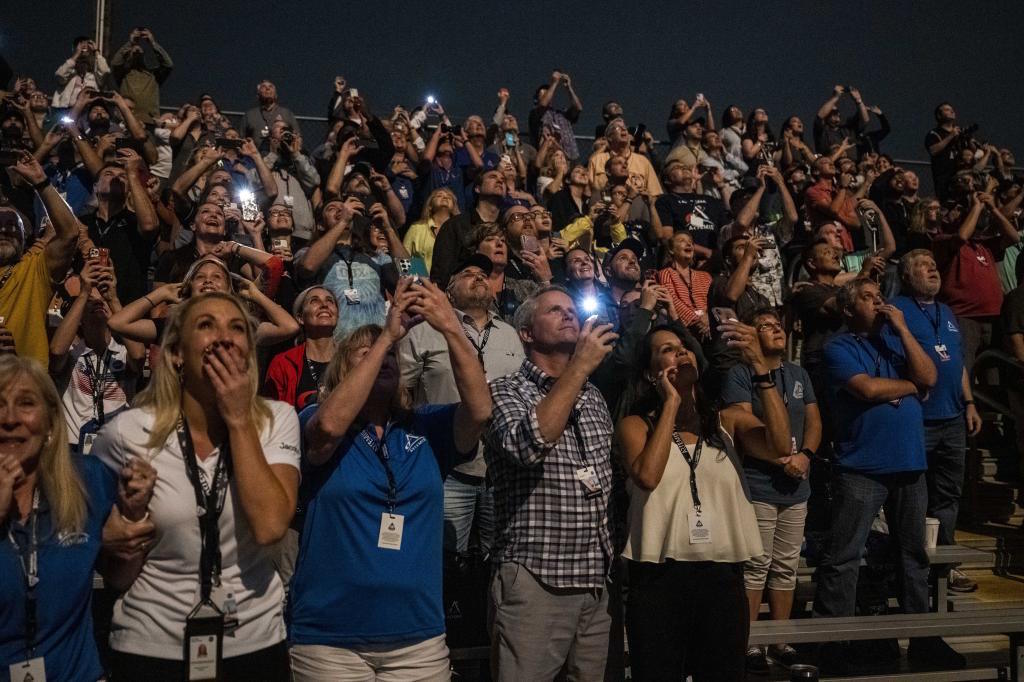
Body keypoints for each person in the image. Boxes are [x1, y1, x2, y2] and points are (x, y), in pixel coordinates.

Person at [290, 278, 492, 680]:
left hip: (417, 638)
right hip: (329, 639)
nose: (382, 359)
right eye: (364, 354)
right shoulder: (313, 418)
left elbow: (481, 410)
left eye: (390, 357)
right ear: (345, 368)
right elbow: (329, 427)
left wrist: (450, 325)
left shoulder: (425, 427)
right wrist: (385, 337)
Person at [94, 292, 301, 679]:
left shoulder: (277, 419)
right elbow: (118, 576)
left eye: (237, 328)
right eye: (206, 325)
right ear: (176, 354)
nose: (224, 337)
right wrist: (123, 526)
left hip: (253, 641)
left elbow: (271, 526)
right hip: (152, 645)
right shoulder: (127, 432)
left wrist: (239, 418)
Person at [616, 319, 792, 680]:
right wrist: (671, 403)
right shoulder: (636, 425)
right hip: (659, 580)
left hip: (722, 579)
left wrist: (760, 369)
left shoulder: (728, 422)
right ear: (651, 374)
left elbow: (778, 445)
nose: (680, 350)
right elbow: (648, 476)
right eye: (666, 349)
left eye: (683, 345)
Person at [813, 279, 965, 673]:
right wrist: (911, 386)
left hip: (910, 464)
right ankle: (834, 643)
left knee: (914, 556)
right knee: (844, 557)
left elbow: (930, 376)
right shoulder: (838, 347)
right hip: (862, 467)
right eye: (868, 298)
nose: (879, 303)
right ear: (848, 310)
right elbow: (865, 388)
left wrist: (902, 329)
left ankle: (922, 638)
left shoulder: (897, 343)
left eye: (881, 297)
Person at [485, 286, 618, 680]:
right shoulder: (505, 391)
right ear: (526, 333)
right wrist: (578, 368)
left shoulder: (594, 397)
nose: (569, 316)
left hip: (594, 581)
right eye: (554, 310)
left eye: (572, 311)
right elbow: (528, 446)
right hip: (536, 579)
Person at [0, 355, 153, 681]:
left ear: (52, 422)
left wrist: (133, 513)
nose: (10, 418)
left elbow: (120, 577)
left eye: (26, 404)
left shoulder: (88, 480)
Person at [400, 254, 524, 558]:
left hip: (501, 471)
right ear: (448, 291)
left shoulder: (511, 335)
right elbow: (402, 392)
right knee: (441, 559)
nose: (479, 276)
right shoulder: (424, 330)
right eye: (467, 273)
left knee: (496, 560)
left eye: (483, 273)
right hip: (445, 469)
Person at [720, 308, 820, 673]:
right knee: (756, 567)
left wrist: (806, 456)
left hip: (797, 486)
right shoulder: (740, 374)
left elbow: (814, 420)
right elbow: (745, 428)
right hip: (760, 484)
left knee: (786, 567)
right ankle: (748, 643)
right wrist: (784, 459)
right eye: (765, 325)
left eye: (778, 324)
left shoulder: (798, 374)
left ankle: (780, 640)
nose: (776, 329)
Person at [890, 249, 982, 593]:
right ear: (907, 276)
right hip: (918, 421)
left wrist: (970, 402)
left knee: (948, 496)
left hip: (954, 418)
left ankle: (946, 565)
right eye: (923, 266)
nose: (932, 269)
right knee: (915, 497)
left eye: (934, 264)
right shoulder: (897, 310)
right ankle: (914, 569)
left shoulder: (947, 312)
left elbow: (955, 362)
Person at [49, 257, 144, 453]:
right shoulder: (72, 353)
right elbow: (56, 351)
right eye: (90, 301)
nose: (98, 302)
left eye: (102, 300)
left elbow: (139, 355)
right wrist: (83, 293)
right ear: (79, 317)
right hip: (74, 448)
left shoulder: (123, 352)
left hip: (117, 448)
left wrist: (113, 298)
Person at [0, 154, 81, 368]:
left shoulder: (34, 268)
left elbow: (70, 233)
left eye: (12, 226)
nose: (5, 230)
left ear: (25, 239)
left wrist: (41, 183)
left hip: (25, 386)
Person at [262, 285, 339, 413]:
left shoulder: (351, 359)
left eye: (329, 301)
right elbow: (272, 417)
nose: (324, 305)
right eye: (314, 300)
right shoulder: (282, 363)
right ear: (300, 318)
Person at [109, 28, 173, 124]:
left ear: (144, 57)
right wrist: (130, 43)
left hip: (149, 122)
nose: (137, 51)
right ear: (128, 57)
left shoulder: (153, 75)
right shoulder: (123, 75)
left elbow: (168, 65)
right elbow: (115, 63)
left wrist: (152, 43)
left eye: (139, 51)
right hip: (127, 121)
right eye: (133, 52)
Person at [658, 231, 712, 342]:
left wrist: (709, 319)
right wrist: (696, 321)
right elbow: (672, 300)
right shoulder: (665, 273)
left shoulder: (705, 276)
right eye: (682, 241)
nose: (688, 244)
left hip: (710, 327)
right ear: (671, 250)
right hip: (685, 330)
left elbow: (712, 302)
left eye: (690, 242)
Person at [528, 70, 583, 162]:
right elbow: (543, 105)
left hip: (568, 158)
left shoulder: (561, 114)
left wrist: (568, 87)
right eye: (544, 94)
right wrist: (554, 83)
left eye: (548, 93)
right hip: (548, 159)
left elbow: (578, 108)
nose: (548, 95)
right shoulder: (535, 113)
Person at [402, 187, 459, 274]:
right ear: (430, 206)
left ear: (454, 207)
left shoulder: (460, 230)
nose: (445, 197)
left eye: (449, 197)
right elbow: (404, 258)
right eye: (439, 195)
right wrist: (423, 281)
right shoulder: (417, 228)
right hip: (421, 283)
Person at [813, 85, 869, 160]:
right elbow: (820, 116)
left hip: (852, 166)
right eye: (833, 112)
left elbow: (865, 120)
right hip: (831, 166)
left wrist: (858, 101)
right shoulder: (822, 131)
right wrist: (835, 97)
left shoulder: (847, 129)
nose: (836, 114)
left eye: (837, 112)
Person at [244, 80, 301, 149]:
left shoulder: (287, 113)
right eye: (263, 87)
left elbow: (298, 137)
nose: (267, 88)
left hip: (283, 157)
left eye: (270, 87)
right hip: (256, 156)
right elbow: (242, 139)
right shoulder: (249, 115)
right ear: (258, 95)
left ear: (276, 95)